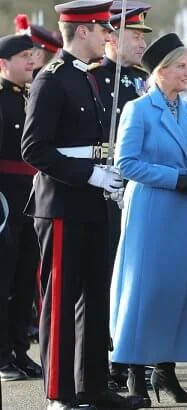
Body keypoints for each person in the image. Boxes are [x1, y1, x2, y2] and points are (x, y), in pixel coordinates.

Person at [20, 1, 145, 409]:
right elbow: (34, 148)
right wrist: (87, 173)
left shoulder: (88, 78)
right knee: (61, 298)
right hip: (62, 204)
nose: (110, 36)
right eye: (102, 29)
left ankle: (93, 387)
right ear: (83, 31)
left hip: (96, 201)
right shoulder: (51, 80)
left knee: (96, 298)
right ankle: (59, 392)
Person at [110, 32, 187, 404]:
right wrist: (174, 178)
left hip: (179, 210)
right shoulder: (138, 109)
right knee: (143, 290)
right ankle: (134, 371)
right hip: (150, 208)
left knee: (175, 289)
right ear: (161, 71)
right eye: (181, 66)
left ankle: (165, 372)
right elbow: (126, 163)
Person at [88, 2, 152, 394]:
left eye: (143, 36)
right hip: (105, 186)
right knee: (107, 275)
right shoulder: (95, 78)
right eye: (135, 35)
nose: (141, 43)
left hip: (139, 187)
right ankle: (107, 359)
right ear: (111, 36)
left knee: (136, 276)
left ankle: (132, 357)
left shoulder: (141, 79)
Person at [0, 34, 42, 383]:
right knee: (4, 279)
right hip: (6, 199)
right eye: (24, 56)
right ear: (4, 64)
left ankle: (18, 349)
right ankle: (1, 356)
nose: (31, 62)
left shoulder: (30, 94)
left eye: (32, 55)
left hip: (31, 198)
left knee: (26, 278)